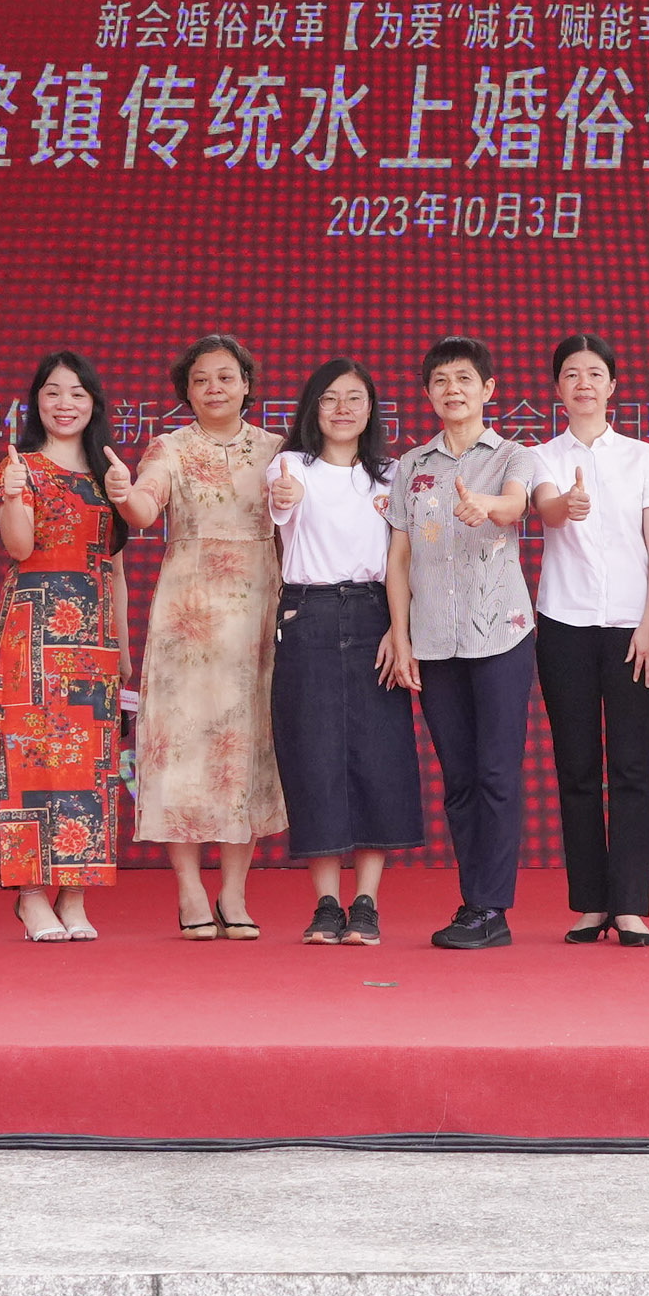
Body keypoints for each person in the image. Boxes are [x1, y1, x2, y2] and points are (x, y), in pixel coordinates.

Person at [112, 334, 291, 940]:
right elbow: (145, 506)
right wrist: (126, 496)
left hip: (256, 614)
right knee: (180, 749)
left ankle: (234, 891)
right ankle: (189, 889)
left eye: (225, 377)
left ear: (247, 384)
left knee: (246, 748)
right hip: (186, 614)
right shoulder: (170, 447)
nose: (214, 388)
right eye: (201, 380)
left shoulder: (278, 450)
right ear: (186, 392)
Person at [385, 335, 540, 950]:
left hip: (500, 635)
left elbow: (516, 504)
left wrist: (486, 506)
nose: (453, 390)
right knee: (458, 777)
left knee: (497, 772)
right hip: (432, 640)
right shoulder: (410, 465)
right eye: (441, 381)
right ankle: (475, 899)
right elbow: (398, 557)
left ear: (488, 389)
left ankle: (489, 907)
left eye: (465, 379)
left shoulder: (513, 454)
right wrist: (400, 636)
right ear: (428, 393)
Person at [529, 335, 649, 945]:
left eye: (595, 373)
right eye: (571, 374)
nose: (583, 384)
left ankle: (631, 904)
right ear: (557, 389)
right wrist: (567, 503)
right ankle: (591, 902)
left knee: (633, 765)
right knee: (577, 767)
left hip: (632, 628)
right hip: (563, 625)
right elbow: (546, 510)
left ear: (613, 386)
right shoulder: (539, 456)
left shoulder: (643, 457)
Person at [272, 359, 419, 943]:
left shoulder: (392, 474)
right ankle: (326, 903)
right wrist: (284, 495)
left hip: (373, 614)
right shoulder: (289, 465)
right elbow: (281, 504)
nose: (342, 409)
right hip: (306, 613)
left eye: (354, 398)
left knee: (377, 756)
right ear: (313, 407)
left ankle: (367, 902)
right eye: (329, 398)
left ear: (370, 409)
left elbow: (403, 560)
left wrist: (398, 629)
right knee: (313, 756)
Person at [0, 351, 130, 942]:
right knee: (29, 762)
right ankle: (30, 897)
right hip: (33, 632)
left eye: (77, 393)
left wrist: (123, 648)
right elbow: (19, 548)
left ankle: (74, 895)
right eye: (53, 392)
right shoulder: (18, 466)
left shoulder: (108, 472)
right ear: (36, 401)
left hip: (95, 635)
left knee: (91, 767)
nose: (65, 404)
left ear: (93, 403)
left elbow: (115, 567)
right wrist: (12, 495)